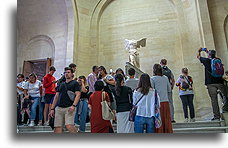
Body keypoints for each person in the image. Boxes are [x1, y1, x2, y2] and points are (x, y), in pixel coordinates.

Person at [197, 48, 228, 121]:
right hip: (220, 81)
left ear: (208, 55)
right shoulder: (218, 60)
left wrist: (199, 51)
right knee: (225, 95)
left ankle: (217, 116)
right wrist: (208, 52)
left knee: (214, 100)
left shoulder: (206, 60)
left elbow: (198, 57)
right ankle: (225, 108)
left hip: (210, 83)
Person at [49, 67, 81, 133]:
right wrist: (52, 108)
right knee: (58, 128)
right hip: (59, 108)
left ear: (72, 74)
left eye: (68, 72)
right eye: (65, 72)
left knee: (69, 125)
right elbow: (56, 96)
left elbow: (78, 95)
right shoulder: (61, 84)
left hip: (69, 107)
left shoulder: (75, 83)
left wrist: (74, 105)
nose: (66, 74)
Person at [151, 64, 173, 133]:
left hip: (157, 102)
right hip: (165, 101)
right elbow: (169, 89)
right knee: (166, 118)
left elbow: (152, 91)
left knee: (159, 120)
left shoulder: (152, 79)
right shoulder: (165, 78)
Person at [160, 59, 176, 123]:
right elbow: (173, 80)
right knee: (170, 103)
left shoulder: (160, 71)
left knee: (161, 103)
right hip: (168, 88)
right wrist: (171, 87)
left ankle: (163, 118)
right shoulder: (169, 71)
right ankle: (172, 118)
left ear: (160, 63)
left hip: (161, 89)